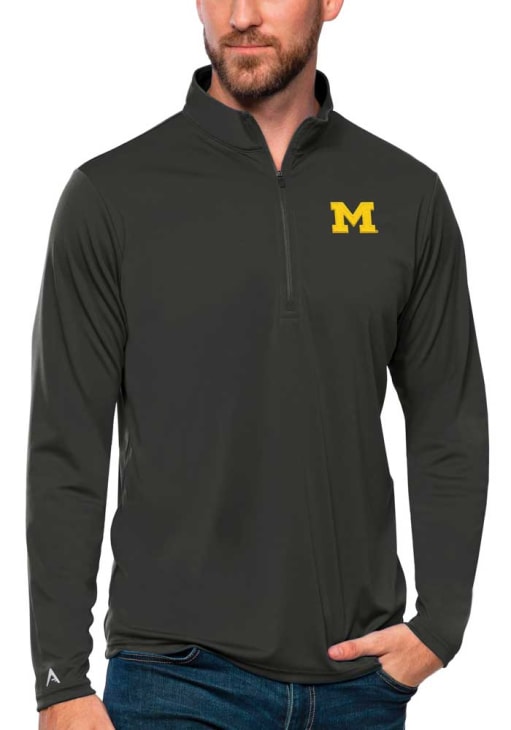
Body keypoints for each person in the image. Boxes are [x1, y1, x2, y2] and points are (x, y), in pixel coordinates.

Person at [27, 0, 489, 728]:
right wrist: (59, 681)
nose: (241, 15)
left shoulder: (406, 195)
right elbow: (66, 451)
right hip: (172, 679)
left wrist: (440, 628)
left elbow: (448, 424)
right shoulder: (110, 197)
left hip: (358, 682)